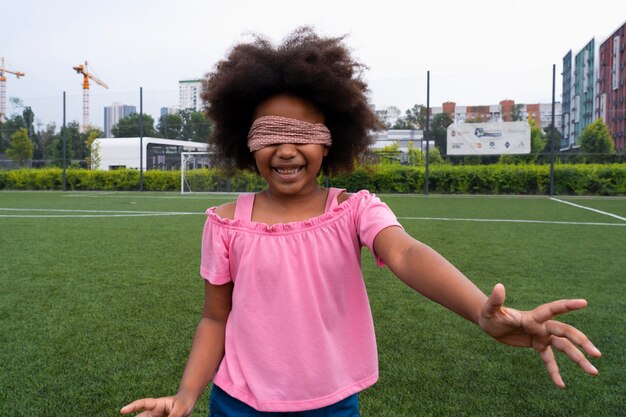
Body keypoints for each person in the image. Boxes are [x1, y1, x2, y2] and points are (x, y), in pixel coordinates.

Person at [120, 27, 601, 417]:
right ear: (245, 142)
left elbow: (406, 252)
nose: (286, 149)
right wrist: (186, 396)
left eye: (303, 134)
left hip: (333, 404)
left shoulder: (354, 209)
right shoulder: (224, 223)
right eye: (270, 134)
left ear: (330, 141)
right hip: (238, 404)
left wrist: (480, 310)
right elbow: (215, 316)